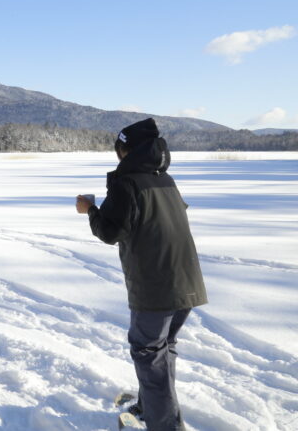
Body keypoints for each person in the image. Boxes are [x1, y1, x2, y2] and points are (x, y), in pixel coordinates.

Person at [76, 118, 207, 431]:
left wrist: (90, 211)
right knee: (161, 350)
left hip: (156, 287)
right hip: (186, 281)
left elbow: (111, 232)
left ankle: (164, 424)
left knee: (148, 353)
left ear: (128, 150)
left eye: (120, 149)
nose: (118, 156)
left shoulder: (128, 183)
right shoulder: (165, 180)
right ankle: (150, 408)